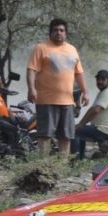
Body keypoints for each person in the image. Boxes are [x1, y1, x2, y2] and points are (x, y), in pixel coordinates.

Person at [27, 18, 89, 157]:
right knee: (45, 135)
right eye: (55, 30)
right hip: (46, 100)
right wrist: (31, 89)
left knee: (65, 136)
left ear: (66, 33)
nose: (58, 33)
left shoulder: (72, 50)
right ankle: (43, 166)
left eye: (61, 30)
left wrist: (85, 92)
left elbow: (79, 73)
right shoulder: (41, 48)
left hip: (67, 101)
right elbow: (31, 69)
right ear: (50, 33)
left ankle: (61, 166)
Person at [73, 70, 108, 160]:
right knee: (81, 131)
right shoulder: (104, 92)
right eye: (98, 79)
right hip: (106, 129)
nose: (99, 82)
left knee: (75, 131)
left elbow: (95, 110)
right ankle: (80, 158)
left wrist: (81, 124)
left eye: (103, 79)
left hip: (106, 130)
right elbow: (93, 111)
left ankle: (76, 160)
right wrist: (82, 124)